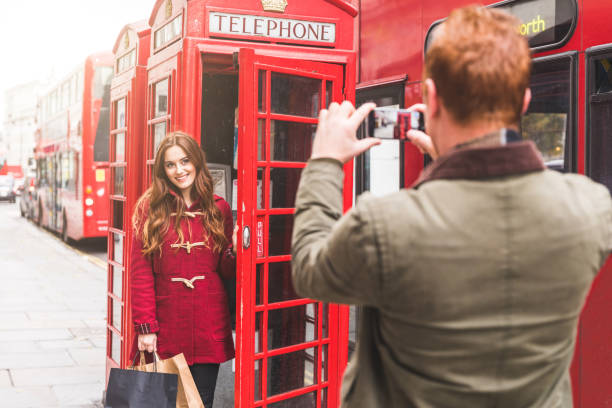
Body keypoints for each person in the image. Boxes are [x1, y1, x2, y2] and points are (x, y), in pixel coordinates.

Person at [291, 6, 612, 408]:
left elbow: (307, 267)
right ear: (525, 100)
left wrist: (325, 161)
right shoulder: (591, 209)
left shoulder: (385, 224)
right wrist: (449, 158)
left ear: (432, 98)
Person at [130, 132, 237, 408]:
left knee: (201, 403)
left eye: (185, 161)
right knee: (165, 404)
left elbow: (224, 270)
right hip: (166, 324)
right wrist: (145, 328)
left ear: (197, 162)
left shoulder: (219, 209)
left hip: (208, 323)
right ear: (162, 170)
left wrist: (235, 251)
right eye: (171, 164)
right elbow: (140, 271)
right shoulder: (149, 209)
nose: (180, 170)